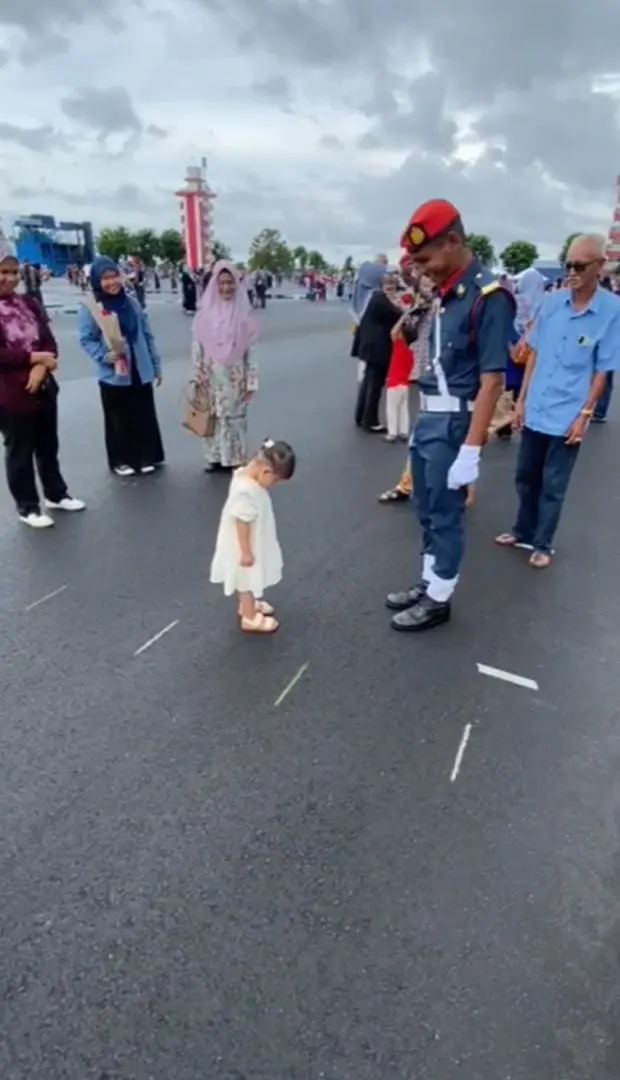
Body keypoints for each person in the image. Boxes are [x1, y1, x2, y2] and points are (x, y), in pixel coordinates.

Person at [386, 199, 515, 631]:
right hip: (430, 418)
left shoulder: (489, 297)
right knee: (425, 508)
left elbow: (492, 381)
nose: (423, 270)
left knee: (445, 515)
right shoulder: (446, 294)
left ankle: (439, 598)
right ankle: (429, 581)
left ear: (454, 241)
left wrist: (472, 451)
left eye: (426, 260)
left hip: (456, 422)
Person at [495, 234, 620, 568]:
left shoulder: (611, 310)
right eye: (568, 265)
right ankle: (522, 530)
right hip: (537, 405)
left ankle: (543, 544)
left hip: (568, 414)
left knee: (553, 483)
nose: (572, 272)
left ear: (599, 266)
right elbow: (533, 355)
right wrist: (521, 401)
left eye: (580, 266)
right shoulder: (551, 303)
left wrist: (585, 415)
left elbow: (602, 371)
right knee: (525, 477)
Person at [0, 239, 84, 527]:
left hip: (44, 386)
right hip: (11, 393)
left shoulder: (28, 303)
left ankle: (56, 494)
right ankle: (28, 507)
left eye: (14, 272)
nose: (10, 278)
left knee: (48, 445)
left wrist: (41, 368)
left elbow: (49, 342)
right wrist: (34, 359)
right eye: (3, 272)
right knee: (20, 451)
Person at [77, 255, 164, 477]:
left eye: (114, 276)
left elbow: (147, 334)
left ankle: (146, 456)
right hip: (113, 373)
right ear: (97, 281)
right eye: (105, 278)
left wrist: (155, 366)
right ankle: (121, 460)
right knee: (118, 417)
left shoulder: (131, 302)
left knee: (143, 413)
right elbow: (86, 339)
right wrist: (104, 356)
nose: (111, 282)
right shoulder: (91, 307)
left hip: (139, 367)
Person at [210, 439, 295, 633]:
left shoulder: (245, 475)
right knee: (246, 579)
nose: (272, 485)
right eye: (274, 481)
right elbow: (242, 522)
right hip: (245, 543)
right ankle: (249, 617)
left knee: (246, 578)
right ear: (266, 472)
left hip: (250, 538)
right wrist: (246, 551)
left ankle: (247, 605)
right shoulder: (246, 491)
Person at [192, 260, 259, 472]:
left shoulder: (244, 319)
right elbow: (197, 347)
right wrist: (198, 373)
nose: (226, 287)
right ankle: (214, 456)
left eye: (230, 283)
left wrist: (251, 381)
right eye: (221, 283)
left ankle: (234, 458)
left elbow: (251, 352)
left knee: (233, 418)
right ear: (214, 285)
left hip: (235, 376)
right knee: (212, 416)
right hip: (210, 374)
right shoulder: (204, 316)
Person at [491, 267, 546, 441]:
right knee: (527, 386)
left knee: (508, 386)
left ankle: (504, 425)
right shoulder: (544, 303)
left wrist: (509, 345)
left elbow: (504, 324)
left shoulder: (513, 301)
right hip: (533, 350)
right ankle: (525, 422)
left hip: (513, 348)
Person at [354, 272, 404, 432]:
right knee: (374, 386)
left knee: (367, 383)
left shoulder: (375, 298)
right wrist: (407, 308)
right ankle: (370, 421)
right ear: (382, 287)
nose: (391, 291)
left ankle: (361, 416)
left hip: (369, 347)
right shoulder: (382, 301)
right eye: (388, 287)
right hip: (377, 348)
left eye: (393, 287)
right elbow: (398, 314)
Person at [350, 256, 388, 383]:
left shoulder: (364, 270)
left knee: (362, 349)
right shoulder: (376, 291)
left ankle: (362, 376)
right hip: (371, 322)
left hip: (360, 315)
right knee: (368, 351)